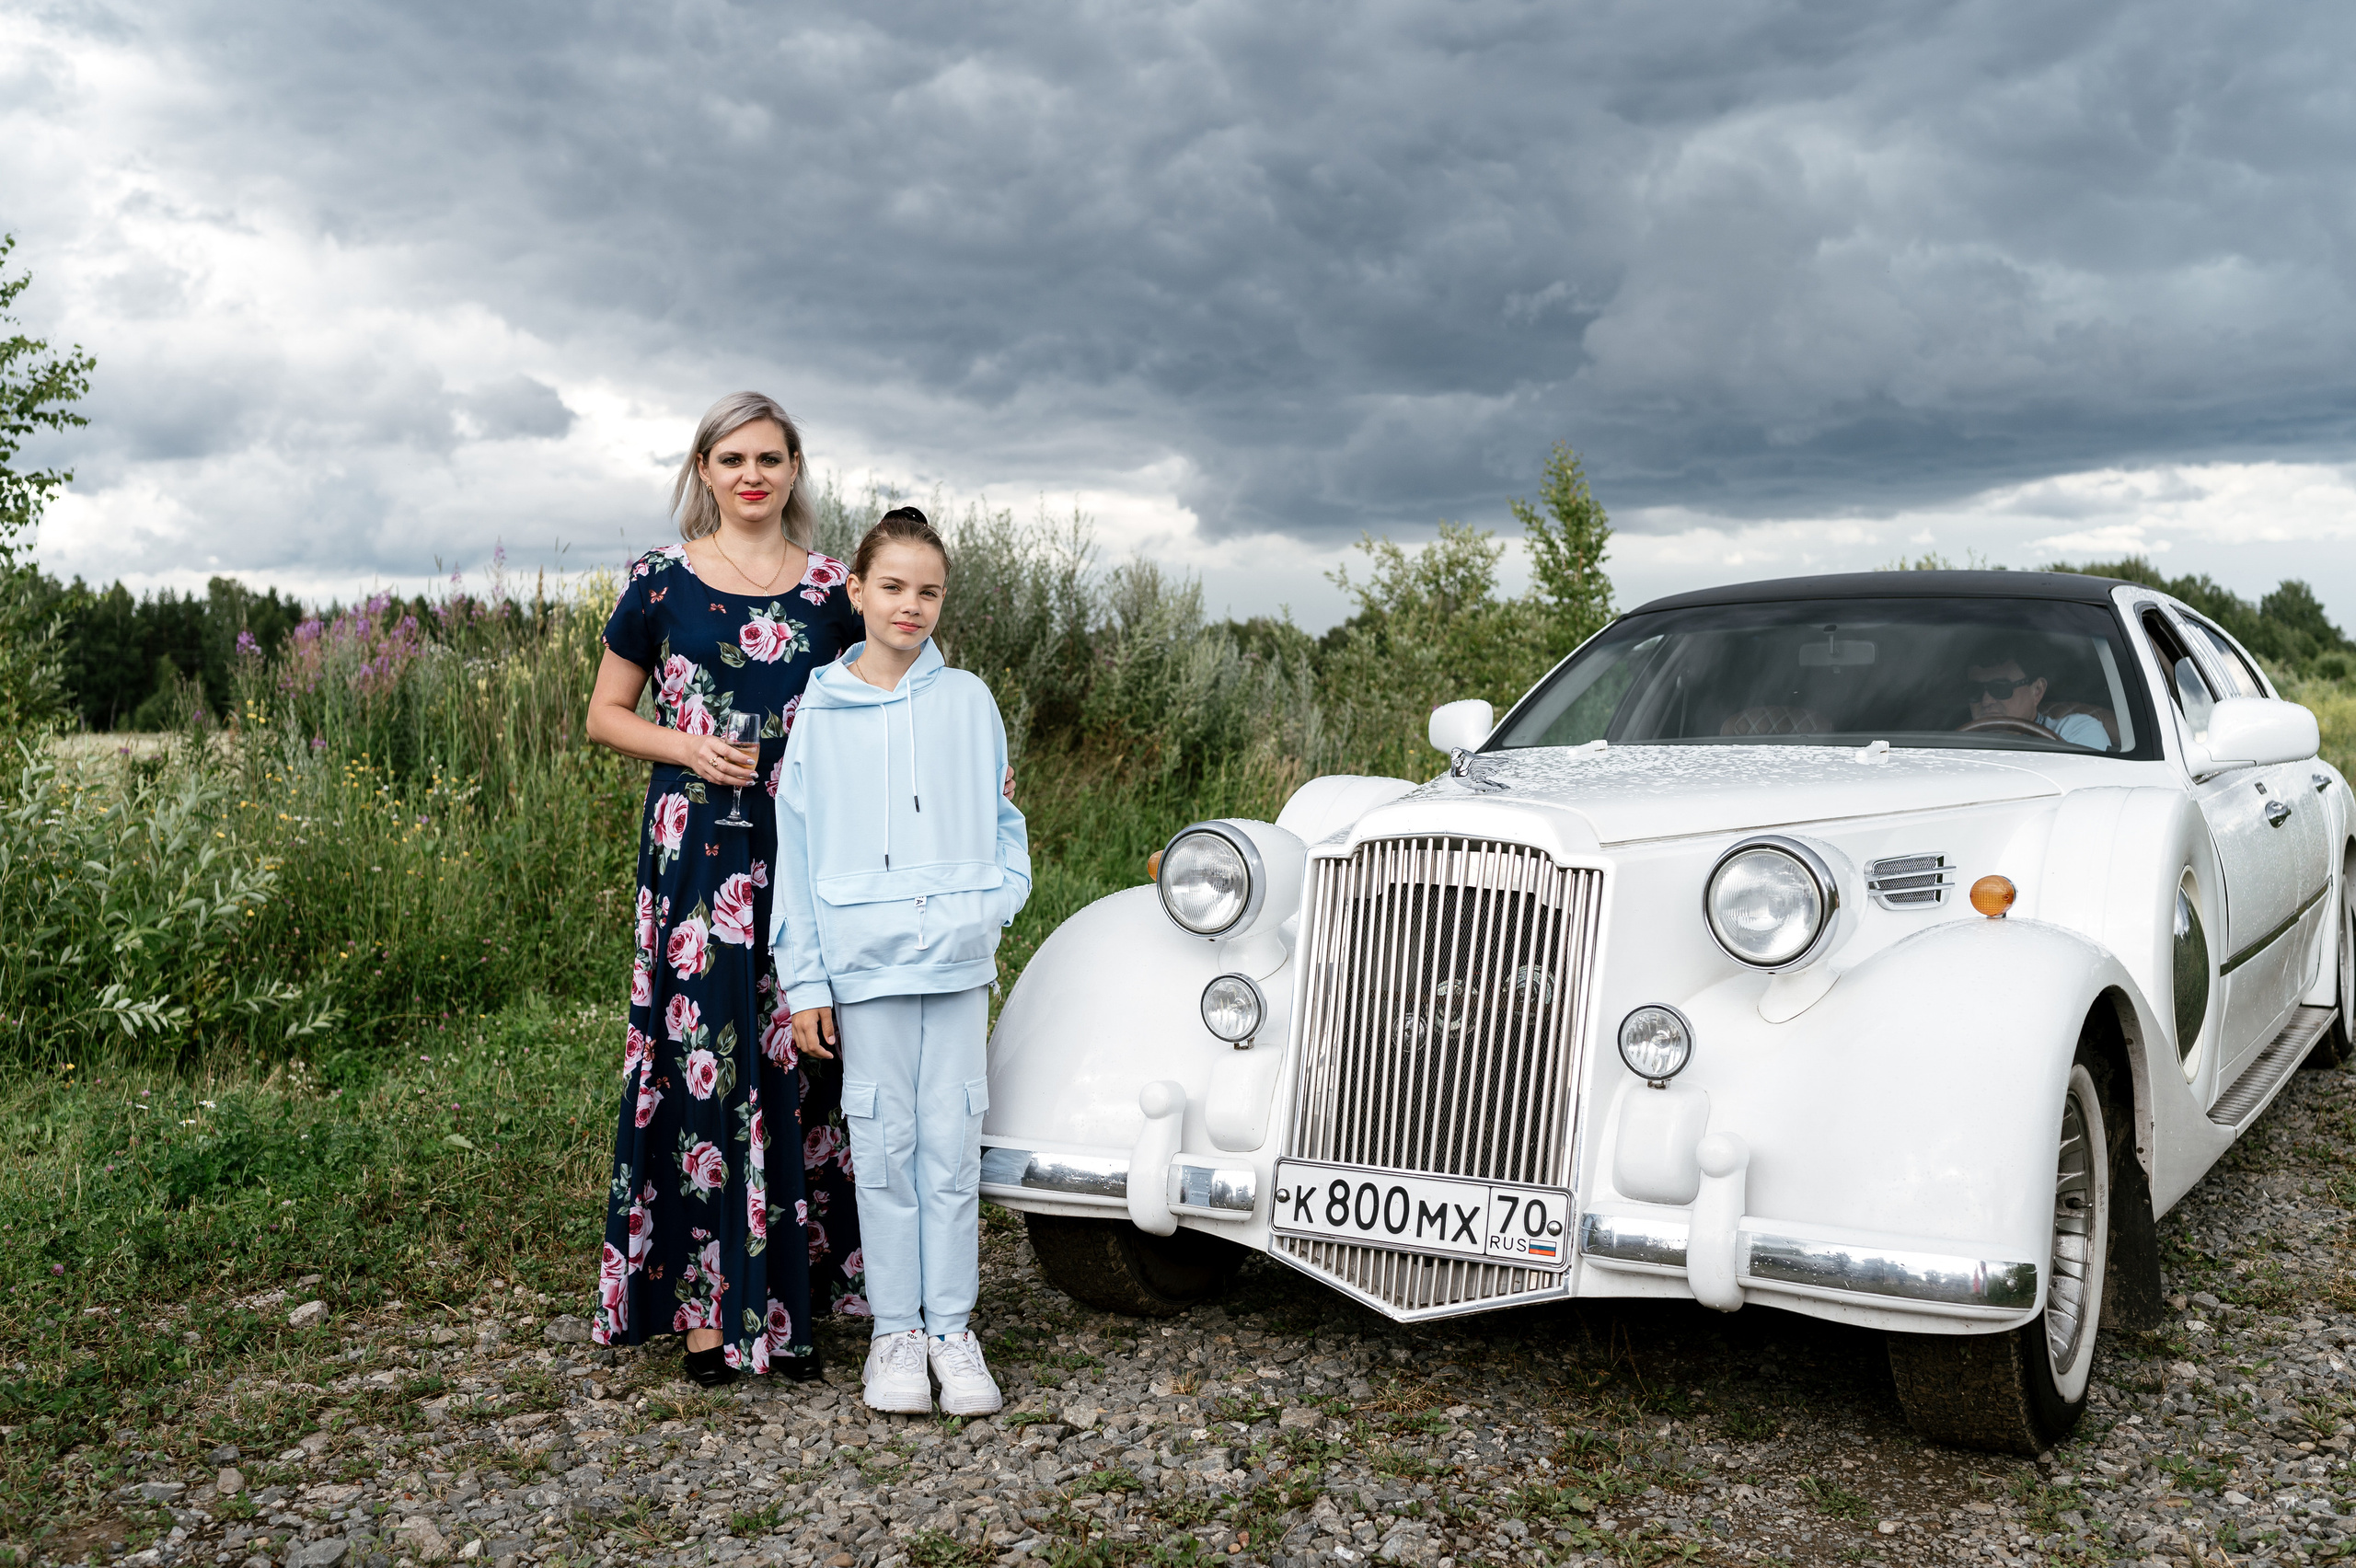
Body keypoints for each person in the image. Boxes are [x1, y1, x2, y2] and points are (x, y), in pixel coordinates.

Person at [582, 392, 868, 1388]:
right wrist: (691, 748)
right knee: (701, 1056)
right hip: (696, 848)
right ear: (703, 469)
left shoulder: (836, 589)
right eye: (733, 457)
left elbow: (897, 692)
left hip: (807, 841)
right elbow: (606, 715)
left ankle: (792, 1303)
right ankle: (703, 1309)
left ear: (795, 471)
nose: (753, 475)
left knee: (801, 1052)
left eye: (771, 458)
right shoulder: (659, 583)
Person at [772, 506, 1031, 1416]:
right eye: (893, 587)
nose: (910, 606)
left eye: (928, 591)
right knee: (882, 1147)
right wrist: (806, 978)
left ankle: (954, 1328)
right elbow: (795, 851)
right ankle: (896, 1334)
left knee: (952, 1145)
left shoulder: (968, 702)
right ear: (857, 591)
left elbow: (1005, 824)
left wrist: (989, 907)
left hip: (955, 964)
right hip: (864, 967)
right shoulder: (820, 711)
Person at [1961, 651, 2111, 751]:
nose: (1986, 701)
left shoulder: (2076, 731)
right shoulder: (1949, 743)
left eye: (2000, 688)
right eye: (1975, 691)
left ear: (2037, 690)